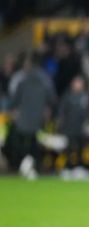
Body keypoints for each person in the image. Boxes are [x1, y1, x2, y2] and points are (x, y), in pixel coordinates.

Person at [9, 52, 56, 180]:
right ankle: (36, 167)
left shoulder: (23, 80)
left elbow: (14, 100)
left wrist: (13, 110)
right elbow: (52, 98)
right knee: (36, 142)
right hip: (38, 118)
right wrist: (48, 109)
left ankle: (22, 166)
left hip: (23, 118)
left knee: (23, 142)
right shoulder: (45, 80)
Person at [56, 75, 89, 180]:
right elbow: (61, 111)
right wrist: (60, 124)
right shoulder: (67, 97)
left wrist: (88, 121)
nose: (78, 85)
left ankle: (79, 168)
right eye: (77, 83)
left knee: (81, 149)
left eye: (80, 83)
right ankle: (67, 169)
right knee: (69, 150)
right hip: (69, 127)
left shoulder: (85, 97)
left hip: (81, 128)